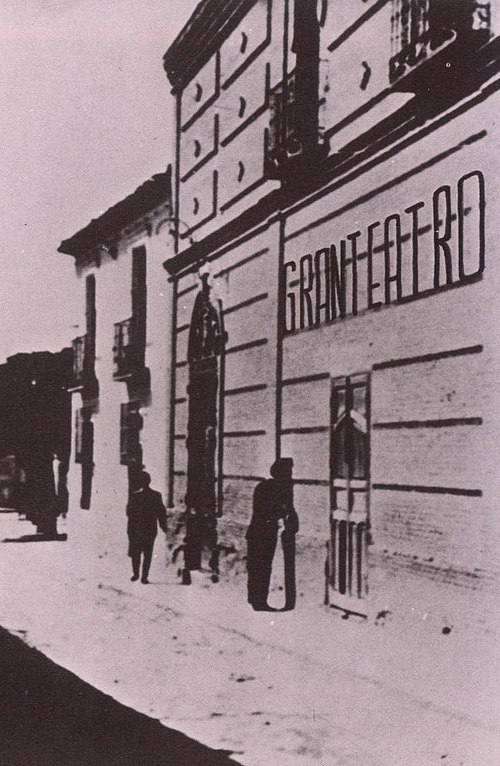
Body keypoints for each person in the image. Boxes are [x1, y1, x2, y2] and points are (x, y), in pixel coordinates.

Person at [246, 458, 298, 610]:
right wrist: (282, 512)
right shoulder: (265, 487)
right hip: (258, 532)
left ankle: (258, 600)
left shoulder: (282, 488)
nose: (289, 474)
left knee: (264, 566)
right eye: (287, 472)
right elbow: (265, 510)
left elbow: (287, 507)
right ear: (279, 472)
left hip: (269, 532)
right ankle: (257, 601)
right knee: (258, 566)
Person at [126, 471, 167, 584]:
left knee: (136, 553)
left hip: (137, 529)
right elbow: (161, 513)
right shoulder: (156, 495)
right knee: (147, 553)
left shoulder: (134, 496)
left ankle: (136, 574)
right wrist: (163, 526)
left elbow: (129, 512)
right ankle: (144, 576)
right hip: (150, 529)